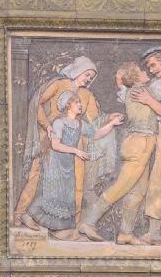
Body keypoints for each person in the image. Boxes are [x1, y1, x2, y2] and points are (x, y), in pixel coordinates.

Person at [22, 92, 123, 239]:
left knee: (65, 194)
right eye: (77, 102)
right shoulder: (59, 123)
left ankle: (58, 228)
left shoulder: (79, 124)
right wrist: (76, 151)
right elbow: (55, 145)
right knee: (51, 192)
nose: (80, 105)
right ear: (68, 105)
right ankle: (28, 215)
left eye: (79, 102)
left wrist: (111, 124)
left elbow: (96, 134)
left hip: (67, 163)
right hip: (55, 162)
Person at [78, 61, 158, 244]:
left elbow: (122, 85)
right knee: (121, 187)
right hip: (140, 143)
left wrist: (120, 78)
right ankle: (88, 222)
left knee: (138, 192)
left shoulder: (131, 91)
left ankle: (126, 233)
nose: (147, 72)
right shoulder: (141, 90)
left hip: (141, 143)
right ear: (136, 76)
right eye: (142, 70)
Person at [14, 56, 100, 226]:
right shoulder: (60, 84)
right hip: (52, 136)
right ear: (78, 70)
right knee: (37, 175)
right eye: (87, 74)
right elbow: (37, 103)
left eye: (91, 77)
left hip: (74, 142)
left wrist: (109, 120)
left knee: (76, 181)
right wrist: (47, 125)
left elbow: (96, 120)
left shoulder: (87, 95)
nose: (89, 79)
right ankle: (20, 213)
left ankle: (72, 223)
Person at [128, 47, 161, 245]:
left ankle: (155, 234)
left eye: (153, 65)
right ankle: (154, 234)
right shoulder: (157, 86)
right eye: (148, 67)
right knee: (158, 186)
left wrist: (148, 101)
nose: (151, 70)